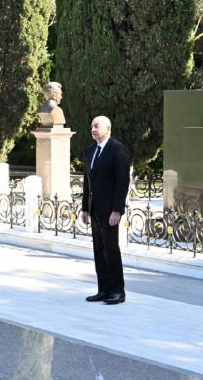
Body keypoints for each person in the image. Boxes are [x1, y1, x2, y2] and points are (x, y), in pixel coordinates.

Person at [81, 116, 131, 305]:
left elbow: (122, 182)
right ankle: (103, 289)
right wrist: (85, 208)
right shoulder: (90, 151)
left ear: (108, 128)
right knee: (99, 249)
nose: (93, 129)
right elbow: (87, 182)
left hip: (110, 211)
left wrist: (117, 210)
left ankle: (118, 291)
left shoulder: (118, 150)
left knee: (111, 249)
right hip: (95, 209)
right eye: (91, 126)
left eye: (96, 126)